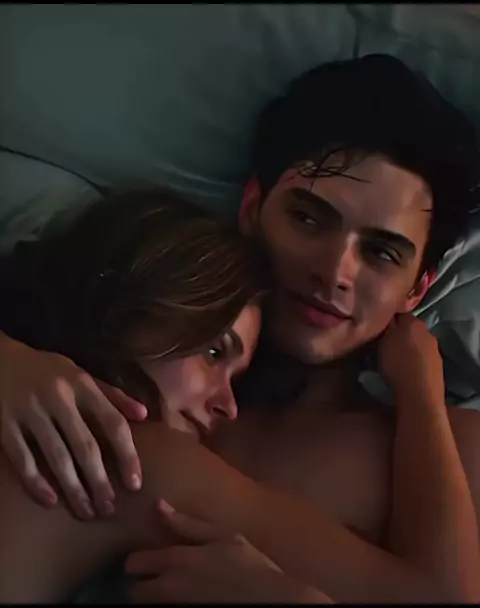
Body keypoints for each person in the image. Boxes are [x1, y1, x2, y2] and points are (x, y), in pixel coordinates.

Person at [1, 54, 480, 602]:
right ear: (253, 206)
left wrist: (422, 394)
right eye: (308, 218)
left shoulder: (447, 451)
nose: (334, 272)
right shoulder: (115, 352)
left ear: (417, 289)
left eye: (381, 253)